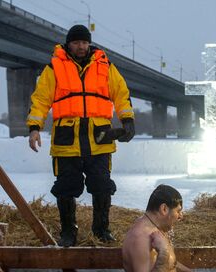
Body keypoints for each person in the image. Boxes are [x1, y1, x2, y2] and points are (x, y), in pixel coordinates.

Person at [26, 25, 135, 247]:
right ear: (68, 44)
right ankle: (68, 232)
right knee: (66, 186)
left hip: (99, 138)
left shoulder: (105, 65)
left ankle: (102, 230)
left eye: (84, 42)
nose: (81, 46)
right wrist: (34, 127)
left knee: (102, 185)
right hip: (67, 140)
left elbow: (121, 93)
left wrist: (128, 120)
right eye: (76, 42)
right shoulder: (54, 67)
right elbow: (40, 100)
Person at [122, 185, 213, 272]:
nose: (181, 216)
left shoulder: (155, 229)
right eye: (178, 211)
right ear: (164, 209)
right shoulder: (140, 238)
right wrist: (164, 252)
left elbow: (168, 263)